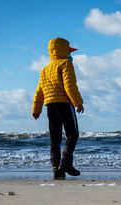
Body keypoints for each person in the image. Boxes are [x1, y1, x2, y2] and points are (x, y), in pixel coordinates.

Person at [32, 37, 84, 180]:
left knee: (55, 138)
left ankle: (56, 169)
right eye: (69, 52)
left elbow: (39, 91)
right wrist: (78, 102)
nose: (70, 55)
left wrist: (36, 110)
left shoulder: (44, 70)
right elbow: (69, 86)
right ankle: (66, 163)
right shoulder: (66, 64)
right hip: (64, 104)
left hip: (50, 106)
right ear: (64, 51)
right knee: (72, 134)